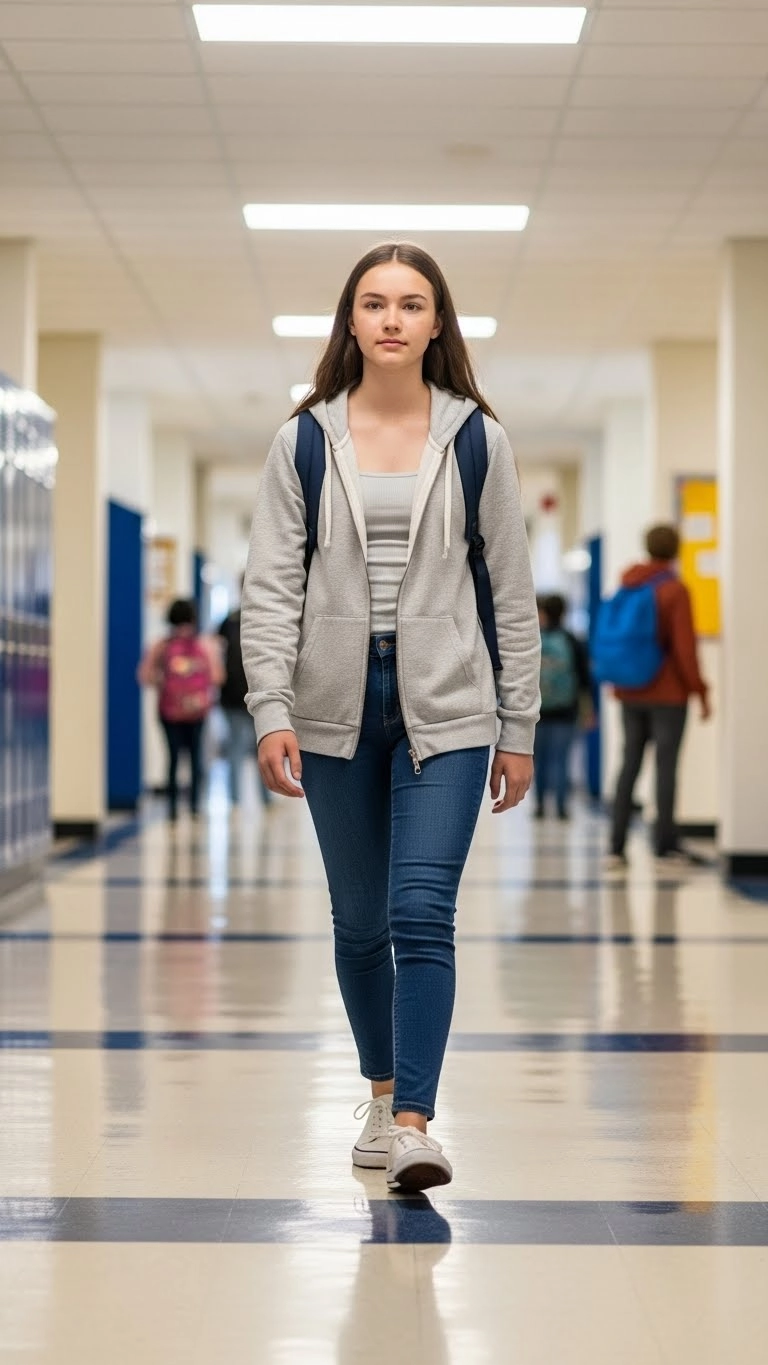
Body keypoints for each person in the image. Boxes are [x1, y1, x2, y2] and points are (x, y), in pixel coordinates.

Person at [241, 241, 540, 1192]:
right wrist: (268, 708)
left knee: (421, 912)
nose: (393, 320)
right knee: (361, 922)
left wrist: (520, 726)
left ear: (437, 323)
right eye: (375, 303)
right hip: (335, 707)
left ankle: (415, 1121)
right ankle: (378, 1094)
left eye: (413, 304)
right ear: (351, 322)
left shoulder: (478, 439)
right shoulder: (303, 441)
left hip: (448, 708)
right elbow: (270, 589)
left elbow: (514, 597)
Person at [606, 524, 711, 868]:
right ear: (676, 550)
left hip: (631, 690)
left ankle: (616, 847)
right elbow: (684, 649)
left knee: (629, 766)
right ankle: (665, 845)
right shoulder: (674, 590)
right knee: (666, 768)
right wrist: (700, 690)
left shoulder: (628, 583)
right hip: (667, 694)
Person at [138, 598, 224, 821]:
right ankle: (195, 806)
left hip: (169, 712)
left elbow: (144, 676)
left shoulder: (162, 645)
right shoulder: (204, 645)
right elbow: (217, 677)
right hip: (197, 712)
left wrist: (164, 681)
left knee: (173, 758)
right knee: (196, 757)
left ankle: (173, 808)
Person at [533, 593, 593, 820]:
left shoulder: (534, 639)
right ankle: (561, 807)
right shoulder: (572, 640)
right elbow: (584, 679)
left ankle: (539, 806)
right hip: (567, 711)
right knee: (561, 759)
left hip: (538, 711)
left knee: (539, 759)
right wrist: (588, 710)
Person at [217, 580, 273, 808]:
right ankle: (237, 798)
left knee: (256, 747)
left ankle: (259, 797)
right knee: (245, 747)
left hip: (258, 694)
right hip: (237, 696)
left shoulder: (231, 621)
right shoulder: (231, 621)